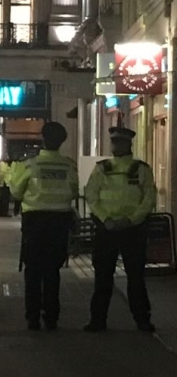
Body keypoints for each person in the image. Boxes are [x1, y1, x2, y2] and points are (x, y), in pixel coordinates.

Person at [84, 125, 157, 333]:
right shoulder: (101, 168)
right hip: (109, 228)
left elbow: (149, 199)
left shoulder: (141, 169)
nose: (116, 145)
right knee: (103, 278)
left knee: (135, 278)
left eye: (120, 142)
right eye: (114, 142)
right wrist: (105, 218)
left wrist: (131, 220)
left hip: (130, 229)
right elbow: (92, 195)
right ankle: (98, 320)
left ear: (129, 144)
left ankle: (142, 319)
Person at [10, 122, 78, 331]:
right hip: (60, 222)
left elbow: (16, 191)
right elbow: (74, 191)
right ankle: (51, 317)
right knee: (52, 271)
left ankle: (32, 317)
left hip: (35, 223)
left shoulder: (30, 165)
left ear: (43, 139)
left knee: (33, 271)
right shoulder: (69, 165)